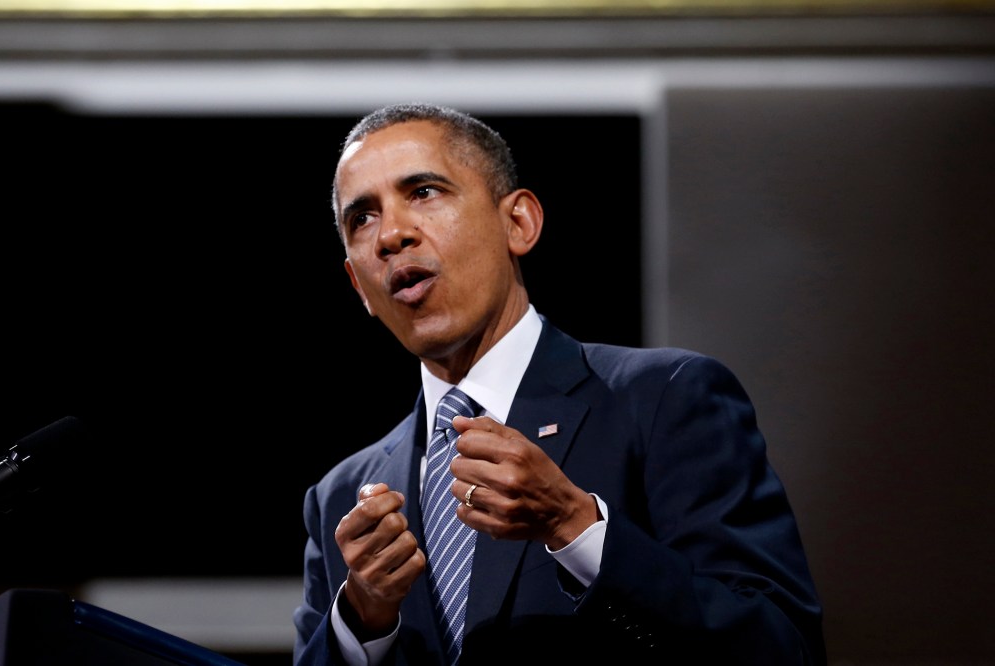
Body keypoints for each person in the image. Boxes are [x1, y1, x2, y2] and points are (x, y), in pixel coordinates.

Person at [292, 103, 826, 666]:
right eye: (362, 218)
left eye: (424, 192)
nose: (392, 235)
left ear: (517, 224)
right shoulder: (339, 501)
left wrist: (577, 527)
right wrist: (362, 623)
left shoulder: (666, 399)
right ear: (358, 285)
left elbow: (780, 648)